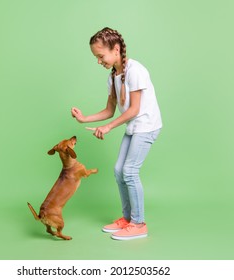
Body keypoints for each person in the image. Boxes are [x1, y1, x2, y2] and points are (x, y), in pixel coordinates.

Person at [71, 27, 162, 240]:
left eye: (100, 56)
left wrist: (109, 127)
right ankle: (128, 218)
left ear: (116, 49)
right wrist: (84, 118)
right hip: (134, 126)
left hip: (146, 125)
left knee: (129, 171)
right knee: (119, 169)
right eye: (96, 57)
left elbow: (134, 109)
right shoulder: (113, 78)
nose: (98, 61)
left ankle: (139, 224)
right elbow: (109, 110)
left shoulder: (136, 71)